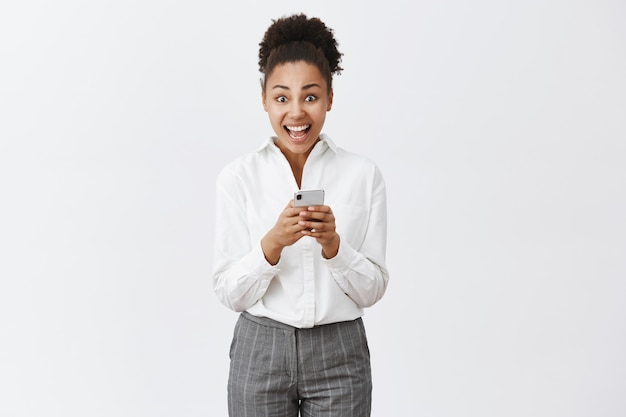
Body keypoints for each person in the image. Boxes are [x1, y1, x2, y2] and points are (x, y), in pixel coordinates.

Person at [212, 13, 389, 417]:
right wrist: (272, 244)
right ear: (263, 100)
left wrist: (334, 246)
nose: (296, 112)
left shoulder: (363, 175)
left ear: (329, 97)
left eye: (310, 96)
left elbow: (373, 289)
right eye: (281, 97)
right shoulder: (238, 177)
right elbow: (228, 291)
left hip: (339, 353)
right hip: (260, 349)